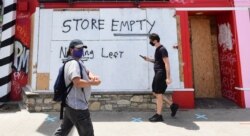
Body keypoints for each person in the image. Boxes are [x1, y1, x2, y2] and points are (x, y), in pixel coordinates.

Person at [54, 39, 101, 136]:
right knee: (88, 134)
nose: (81, 51)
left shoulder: (75, 62)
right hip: (78, 107)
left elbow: (87, 71)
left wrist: (92, 76)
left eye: (82, 49)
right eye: (78, 49)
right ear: (71, 50)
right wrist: (92, 83)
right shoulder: (74, 64)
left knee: (62, 132)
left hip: (71, 105)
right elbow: (77, 82)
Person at [144, 33, 179, 122]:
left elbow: (167, 63)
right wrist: (149, 59)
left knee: (158, 94)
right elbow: (157, 62)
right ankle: (172, 105)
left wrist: (168, 77)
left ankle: (159, 115)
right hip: (157, 74)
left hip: (161, 74)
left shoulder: (163, 49)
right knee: (155, 93)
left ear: (155, 40)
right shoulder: (157, 49)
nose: (150, 42)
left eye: (151, 40)